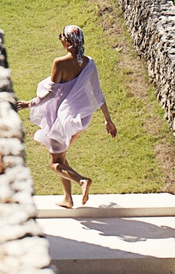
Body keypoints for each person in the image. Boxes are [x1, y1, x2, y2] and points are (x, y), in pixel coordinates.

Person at [17, 25, 117, 208]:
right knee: (61, 158)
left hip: (60, 120)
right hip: (79, 120)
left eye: (62, 36)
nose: (60, 39)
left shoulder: (60, 63)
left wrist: (28, 104)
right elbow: (98, 94)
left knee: (54, 163)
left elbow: (50, 94)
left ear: (69, 44)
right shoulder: (89, 63)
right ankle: (68, 198)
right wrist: (107, 120)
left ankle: (82, 181)